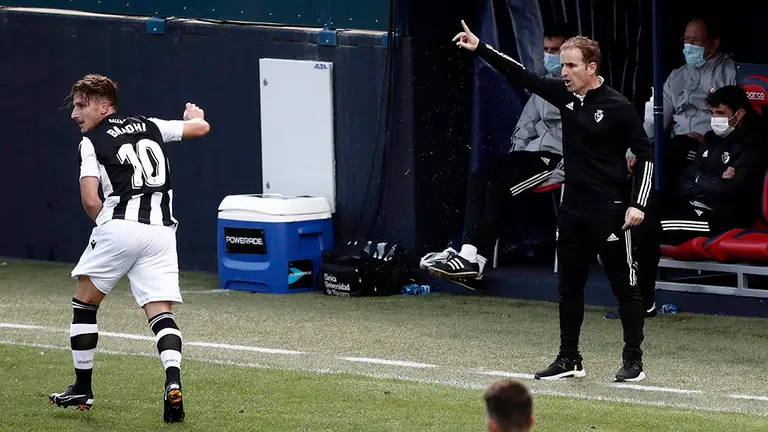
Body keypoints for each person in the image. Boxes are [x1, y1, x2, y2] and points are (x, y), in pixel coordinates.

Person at [453, 20, 654, 382]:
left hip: (610, 211)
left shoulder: (618, 106)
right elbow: (521, 75)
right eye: (561, 65)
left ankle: (633, 361)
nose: (563, 72)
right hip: (572, 210)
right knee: (569, 288)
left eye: (571, 65)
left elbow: (646, 155)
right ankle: (569, 359)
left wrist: (637, 204)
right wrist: (480, 47)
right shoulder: (562, 96)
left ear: (591, 68)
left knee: (624, 286)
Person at [47, 74, 211, 423]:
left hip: (120, 226)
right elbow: (200, 129)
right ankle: (172, 381)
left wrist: (107, 232)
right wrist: (194, 116)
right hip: (162, 233)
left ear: (104, 106)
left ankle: (82, 387)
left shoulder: (91, 141)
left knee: (84, 302)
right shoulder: (148, 124)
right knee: (160, 313)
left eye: (81, 106)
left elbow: (90, 198)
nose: (75, 114)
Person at [422, 24, 574, 280]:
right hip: (530, 157)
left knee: (498, 185)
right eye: (546, 49)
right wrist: (516, 155)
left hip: (556, 161)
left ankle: (475, 260)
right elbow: (524, 126)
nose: (550, 56)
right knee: (480, 176)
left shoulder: (587, 95)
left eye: (555, 50)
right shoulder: (546, 87)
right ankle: (465, 252)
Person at [660, 85, 767, 245]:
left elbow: (730, 191)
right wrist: (709, 179)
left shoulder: (754, 145)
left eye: (721, 113)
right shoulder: (711, 138)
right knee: (644, 216)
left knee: (655, 227)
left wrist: (699, 178)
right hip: (694, 206)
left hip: (724, 218)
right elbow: (686, 178)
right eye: (712, 113)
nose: (715, 118)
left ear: (740, 114)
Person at [641, 16, 736, 186]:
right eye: (686, 39)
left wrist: (710, 139)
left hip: (710, 145)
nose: (689, 45)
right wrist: (635, 148)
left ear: (713, 43)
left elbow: (736, 118)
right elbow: (656, 116)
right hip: (677, 144)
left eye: (696, 40)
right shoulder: (677, 76)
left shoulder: (730, 73)